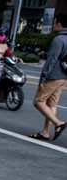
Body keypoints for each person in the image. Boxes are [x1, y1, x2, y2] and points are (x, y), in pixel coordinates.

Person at [29, 13, 67, 141]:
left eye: (54, 22)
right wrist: (46, 54)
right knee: (52, 103)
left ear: (59, 24)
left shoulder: (59, 39)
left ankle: (58, 123)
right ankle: (45, 132)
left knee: (38, 101)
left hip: (53, 75)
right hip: (63, 76)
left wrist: (43, 78)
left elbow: (52, 60)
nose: (53, 25)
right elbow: (61, 56)